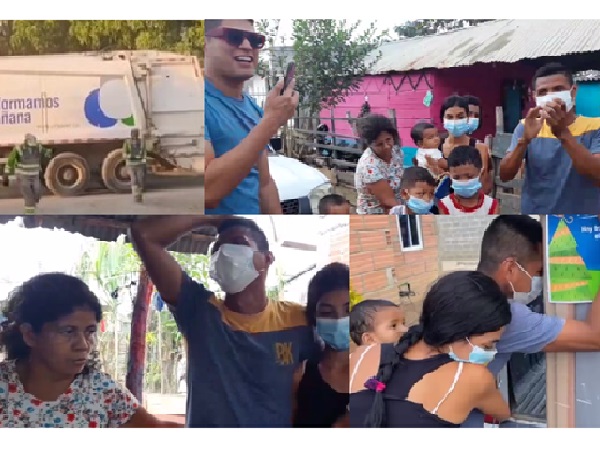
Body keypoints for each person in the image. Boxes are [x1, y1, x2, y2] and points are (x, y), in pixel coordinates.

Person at [130, 215, 317, 427]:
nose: (225, 253)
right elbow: (143, 235)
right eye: (217, 249)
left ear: (266, 258)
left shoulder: (298, 320)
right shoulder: (198, 311)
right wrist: (212, 217)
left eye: (239, 243)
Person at [461, 215, 600, 427]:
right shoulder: (507, 317)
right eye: (538, 272)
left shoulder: (457, 289)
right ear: (510, 268)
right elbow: (596, 337)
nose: (540, 282)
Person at [0, 273, 181, 428]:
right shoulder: (4, 384)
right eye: (68, 331)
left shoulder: (102, 391)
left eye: (90, 331)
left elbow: (156, 430)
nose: (83, 345)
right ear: (30, 335)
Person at [349, 271, 512, 428]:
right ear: (459, 333)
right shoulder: (473, 377)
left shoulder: (363, 354)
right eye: (487, 345)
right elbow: (503, 414)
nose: (491, 353)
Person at [204, 19, 295, 214]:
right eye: (234, 37)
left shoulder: (251, 106)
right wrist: (271, 122)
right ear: (205, 43)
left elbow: (264, 184)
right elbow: (206, 193)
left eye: (255, 40)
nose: (246, 46)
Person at [499, 62, 600, 214]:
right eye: (542, 92)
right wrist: (524, 140)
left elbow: (596, 172)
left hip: (583, 220)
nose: (550, 96)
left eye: (558, 89)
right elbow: (505, 175)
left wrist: (562, 133)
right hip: (537, 219)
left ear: (573, 92)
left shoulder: (595, 126)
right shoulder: (526, 126)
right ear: (534, 96)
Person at [293, 263, 349, 428]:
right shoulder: (301, 376)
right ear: (314, 317)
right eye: (326, 312)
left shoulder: (379, 369)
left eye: (349, 310)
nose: (339, 320)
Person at [430, 96, 492, 195]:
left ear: (468, 118)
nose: (455, 121)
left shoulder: (480, 149)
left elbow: (485, 188)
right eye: (450, 117)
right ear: (443, 120)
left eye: (460, 116)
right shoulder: (434, 148)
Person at [354, 114, 404, 214]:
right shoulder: (369, 166)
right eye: (379, 144)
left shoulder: (396, 151)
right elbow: (388, 201)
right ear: (369, 144)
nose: (387, 146)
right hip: (376, 213)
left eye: (388, 140)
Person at [439, 145, 498, 215]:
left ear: (480, 172)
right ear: (449, 175)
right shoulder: (445, 205)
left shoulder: (491, 205)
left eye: (469, 176)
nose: (463, 182)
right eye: (457, 177)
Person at [6, 134, 53, 215]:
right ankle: (29, 214)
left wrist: (50, 152)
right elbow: (11, 160)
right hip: (24, 175)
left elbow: (46, 152)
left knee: (38, 190)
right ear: (26, 141)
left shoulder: (38, 147)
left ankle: (34, 204)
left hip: (35, 174)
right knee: (28, 194)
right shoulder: (19, 149)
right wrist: (7, 173)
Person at [123, 128, 147, 203]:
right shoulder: (127, 142)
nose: (135, 135)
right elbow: (124, 154)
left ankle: (139, 195)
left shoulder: (142, 142)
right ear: (131, 134)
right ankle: (135, 195)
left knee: (140, 179)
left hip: (140, 164)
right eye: (133, 133)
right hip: (131, 164)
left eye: (136, 133)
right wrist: (131, 156)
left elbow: (144, 153)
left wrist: (143, 161)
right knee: (134, 180)